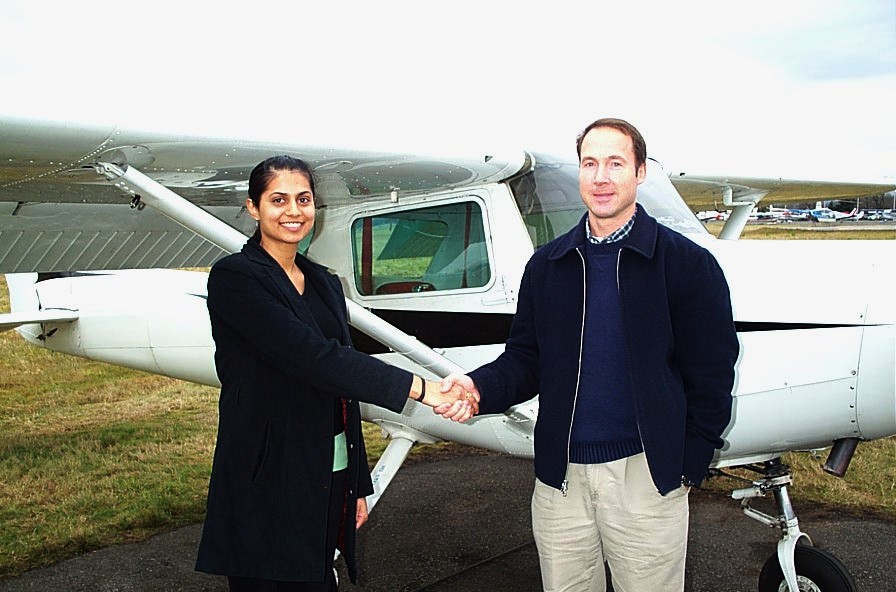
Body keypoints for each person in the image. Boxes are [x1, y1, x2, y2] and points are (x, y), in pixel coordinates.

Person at [439, 118, 739, 592]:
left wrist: (687, 464)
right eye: (590, 163)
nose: (601, 177)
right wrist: (478, 388)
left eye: (615, 163)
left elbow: (712, 374)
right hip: (561, 481)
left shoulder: (686, 264)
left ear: (640, 171)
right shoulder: (548, 265)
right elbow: (526, 360)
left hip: (647, 476)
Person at [195, 155, 474, 591]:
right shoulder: (235, 279)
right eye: (278, 200)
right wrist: (422, 389)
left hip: (328, 471)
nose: (293, 211)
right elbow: (315, 358)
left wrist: (356, 484)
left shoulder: (323, 282)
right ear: (253, 207)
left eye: (303, 199)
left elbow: (343, 390)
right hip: (267, 473)